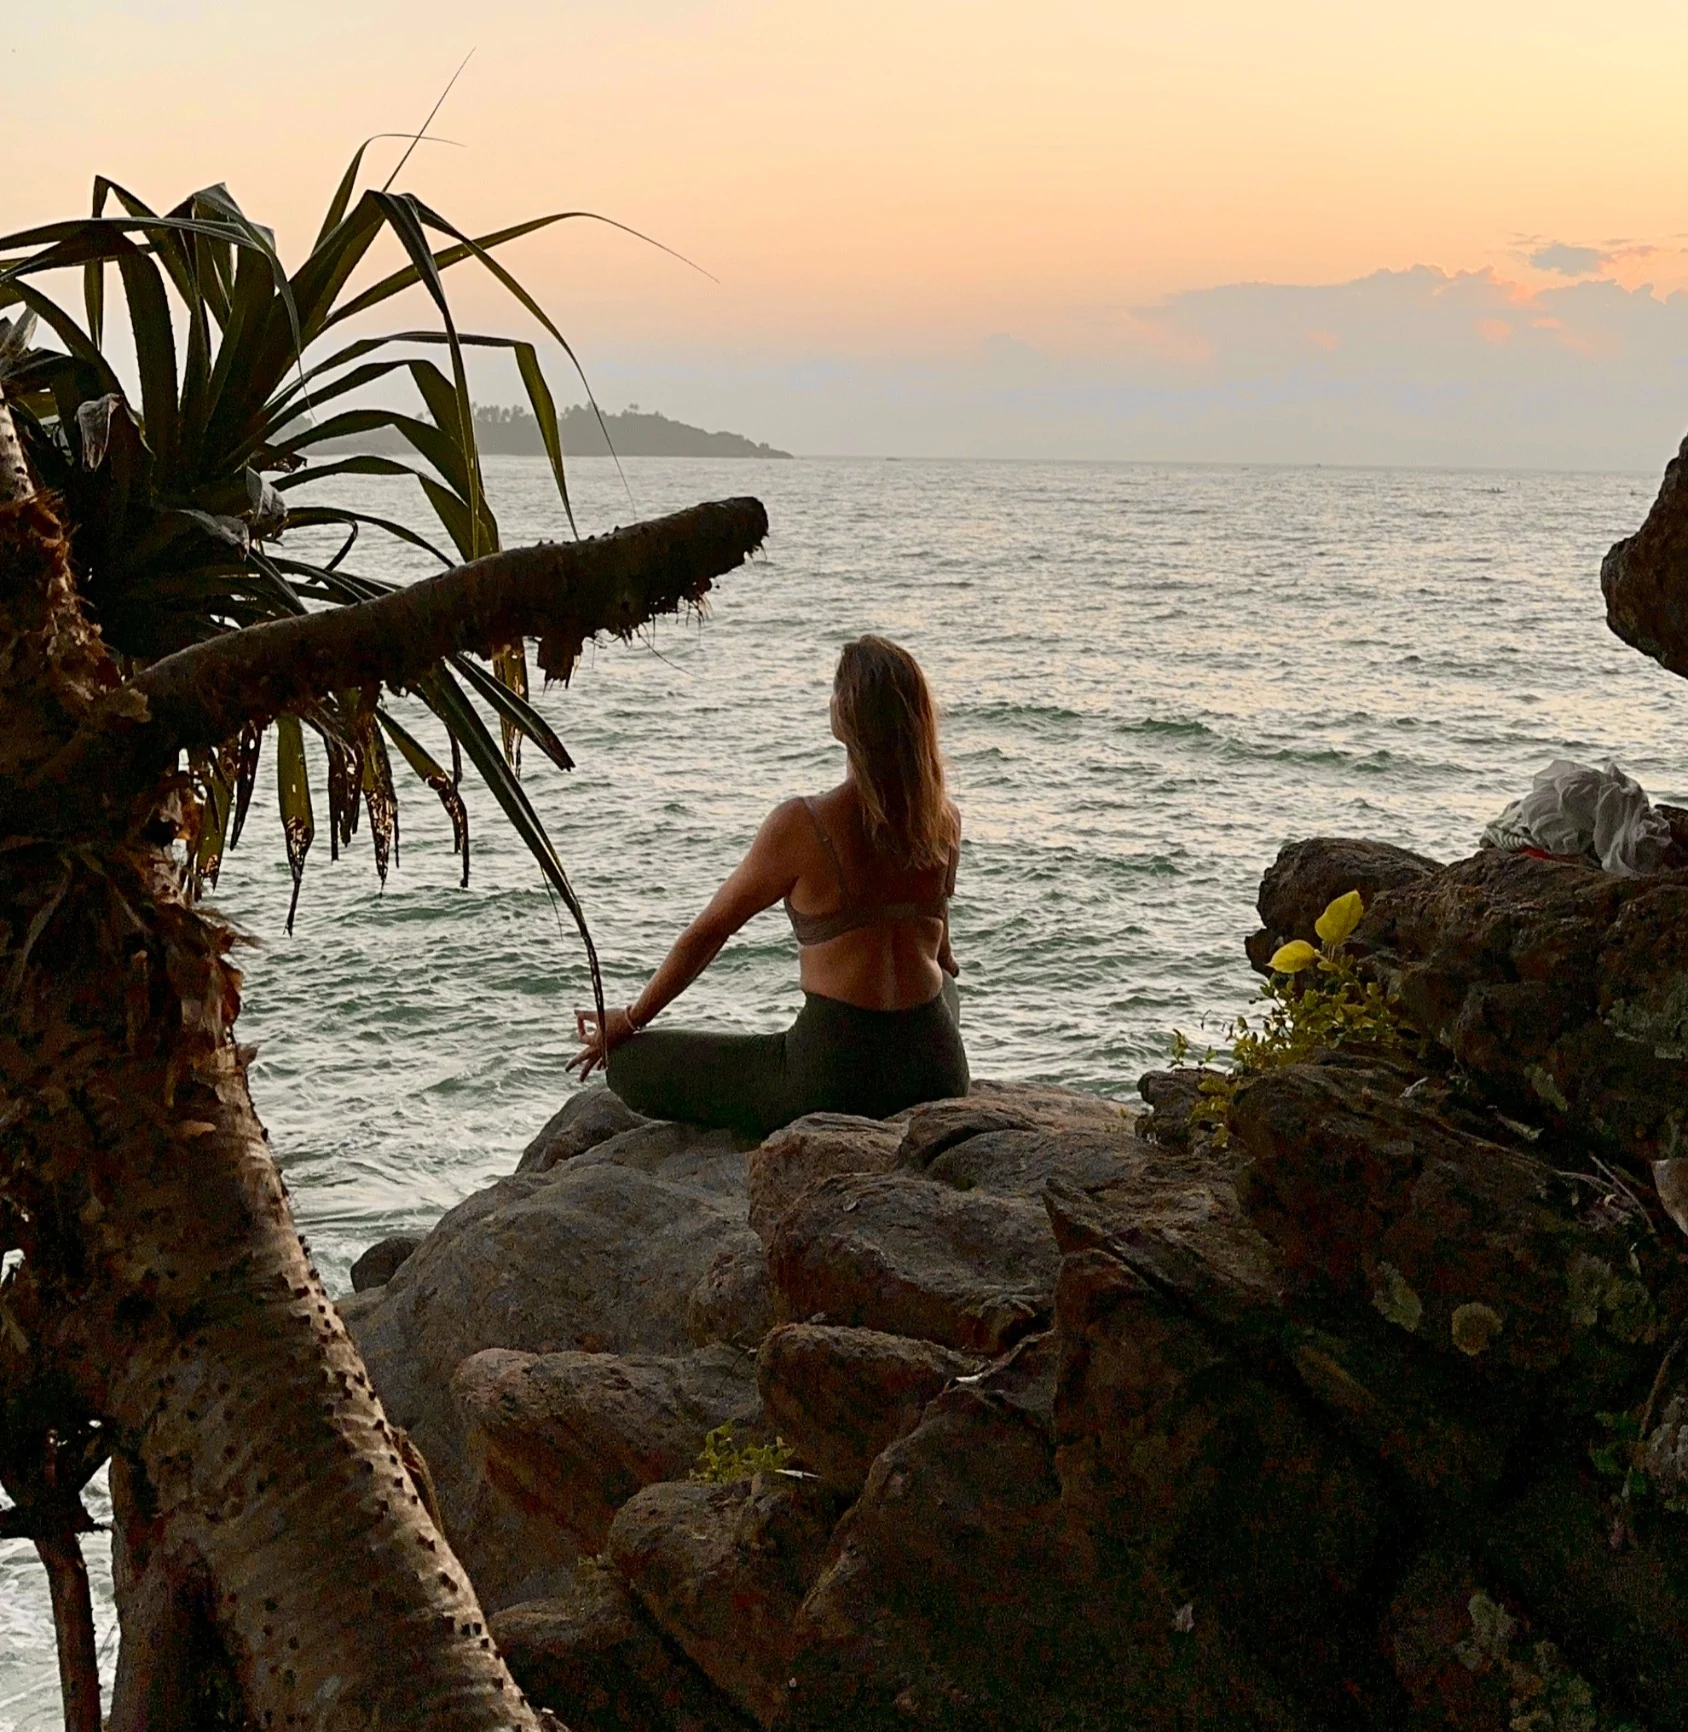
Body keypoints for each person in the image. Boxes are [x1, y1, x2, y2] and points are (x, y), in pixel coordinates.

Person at [568, 634, 969, 1137]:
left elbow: (709, 932)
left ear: (845, 716)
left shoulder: (802, 824)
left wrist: (630, 1019)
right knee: (943, 987)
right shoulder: (942, 819)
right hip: (935, 1070)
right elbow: (942, 949)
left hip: (833, 1077)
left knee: (629, 1064)